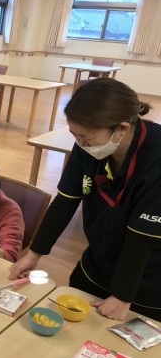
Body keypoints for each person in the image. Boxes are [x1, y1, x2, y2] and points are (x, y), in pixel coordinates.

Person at [9, 78, 161, 321]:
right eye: (74, 135)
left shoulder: (156, 156)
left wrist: (122, 297)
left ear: (121, 128)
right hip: (97, 264)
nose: (80, 143)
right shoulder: (87, 145)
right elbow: (65, 200)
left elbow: (142, 239)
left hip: (146, 281)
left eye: (86, 137)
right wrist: (33, 254)